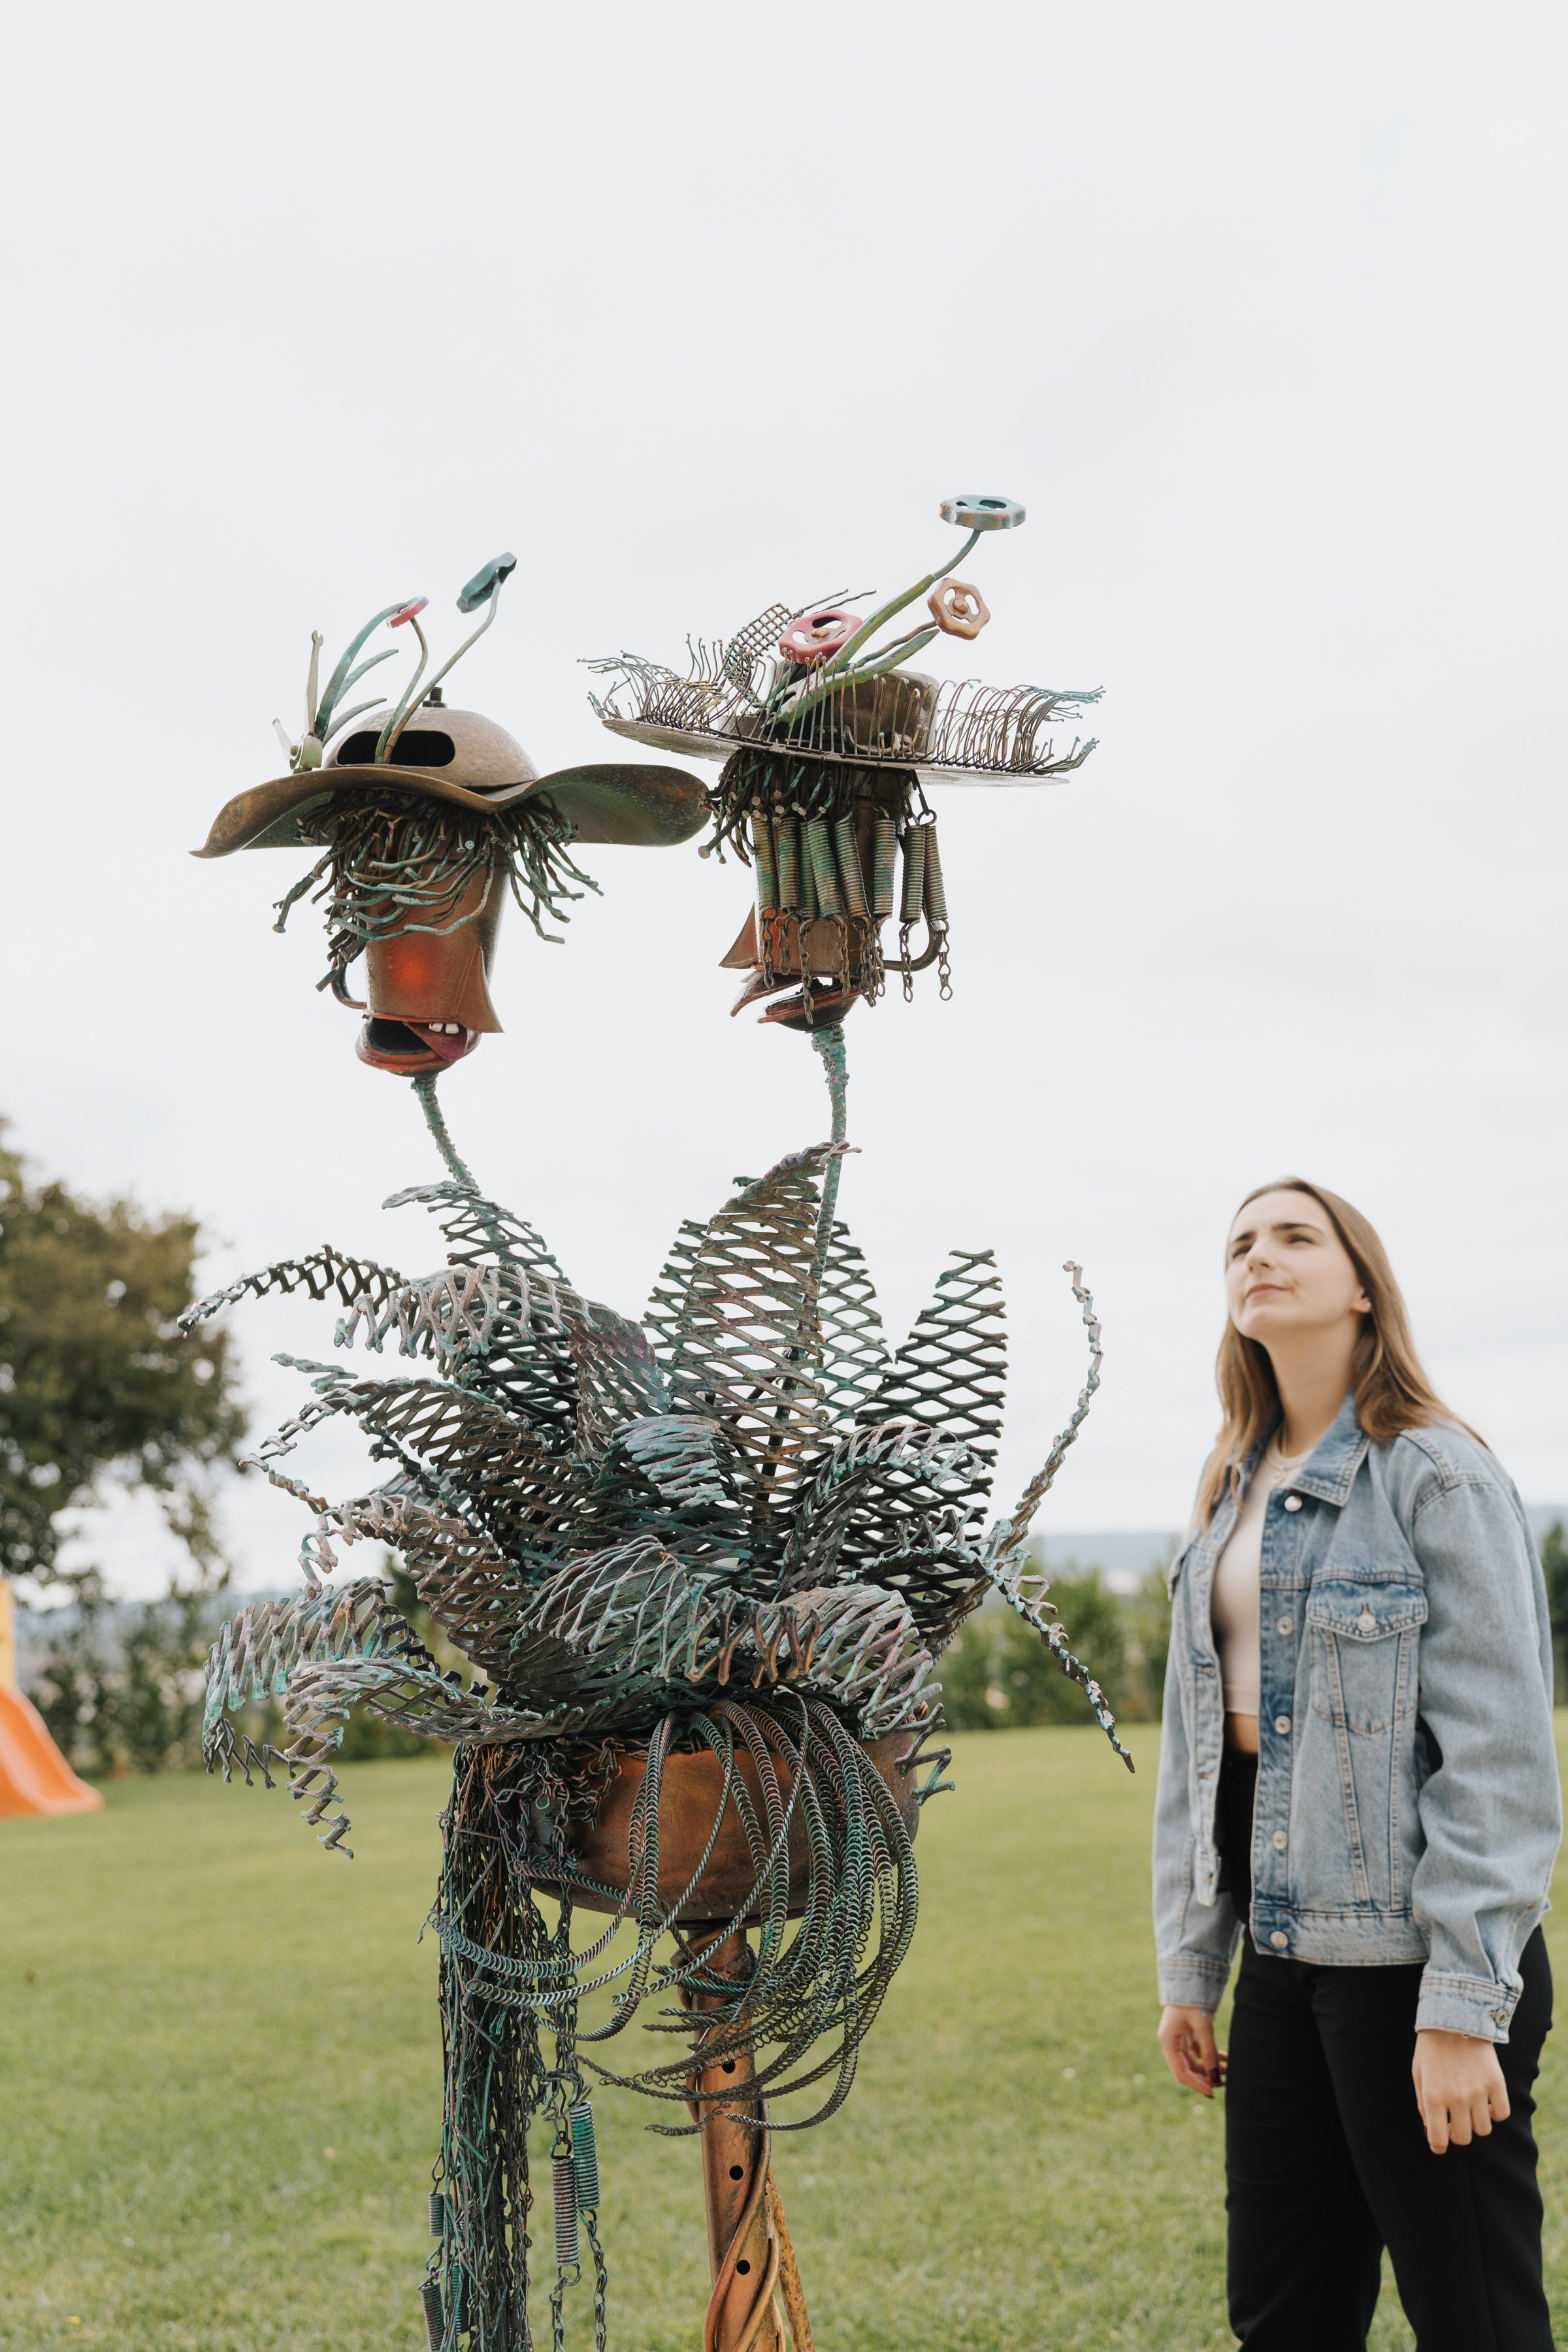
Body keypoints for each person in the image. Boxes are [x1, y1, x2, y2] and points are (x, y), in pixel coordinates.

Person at [1151, 1177, 1561, 2351]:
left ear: (1365, 1287)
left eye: (1293, 1236)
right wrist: (1194, 1966)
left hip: (1414, 1967)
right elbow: (1204, 1752)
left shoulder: (1439, 1475)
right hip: (1282, 1966)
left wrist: (1461, 2011)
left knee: (1472, 2317)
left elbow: (1499, 1758)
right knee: (1283, 2318)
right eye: (1239, 1244)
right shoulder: (1228, 1487)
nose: (1257, 1257)